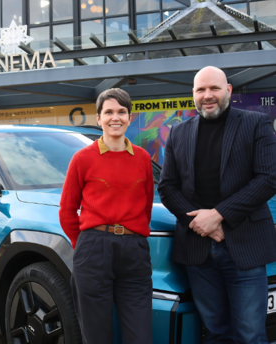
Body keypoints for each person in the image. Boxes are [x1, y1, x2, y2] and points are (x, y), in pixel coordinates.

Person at [158, 66, 276, 343]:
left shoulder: (255, 123)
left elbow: (269, 178)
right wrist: (199, 223)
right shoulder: (178, 133)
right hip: (198, 249)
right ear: (193, 94)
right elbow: (167, 186)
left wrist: (220, 215)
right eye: (201, 90)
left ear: (229, 91)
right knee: (215, 333)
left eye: (214, 88)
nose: (207, 95)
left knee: (250, 335)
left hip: (245, 247)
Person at [59, 88, 154, 344]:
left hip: (134, 251)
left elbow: (146, 205)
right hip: (94, 249)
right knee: (97, 335)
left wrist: (135, 236)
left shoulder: (143, 158)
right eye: (108, 112)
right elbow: (67, 210)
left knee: (141, 335)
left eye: (121, 112)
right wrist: (84, 245)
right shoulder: (82, 159)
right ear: (99, 118)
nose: (116, 117)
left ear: (130, 117)